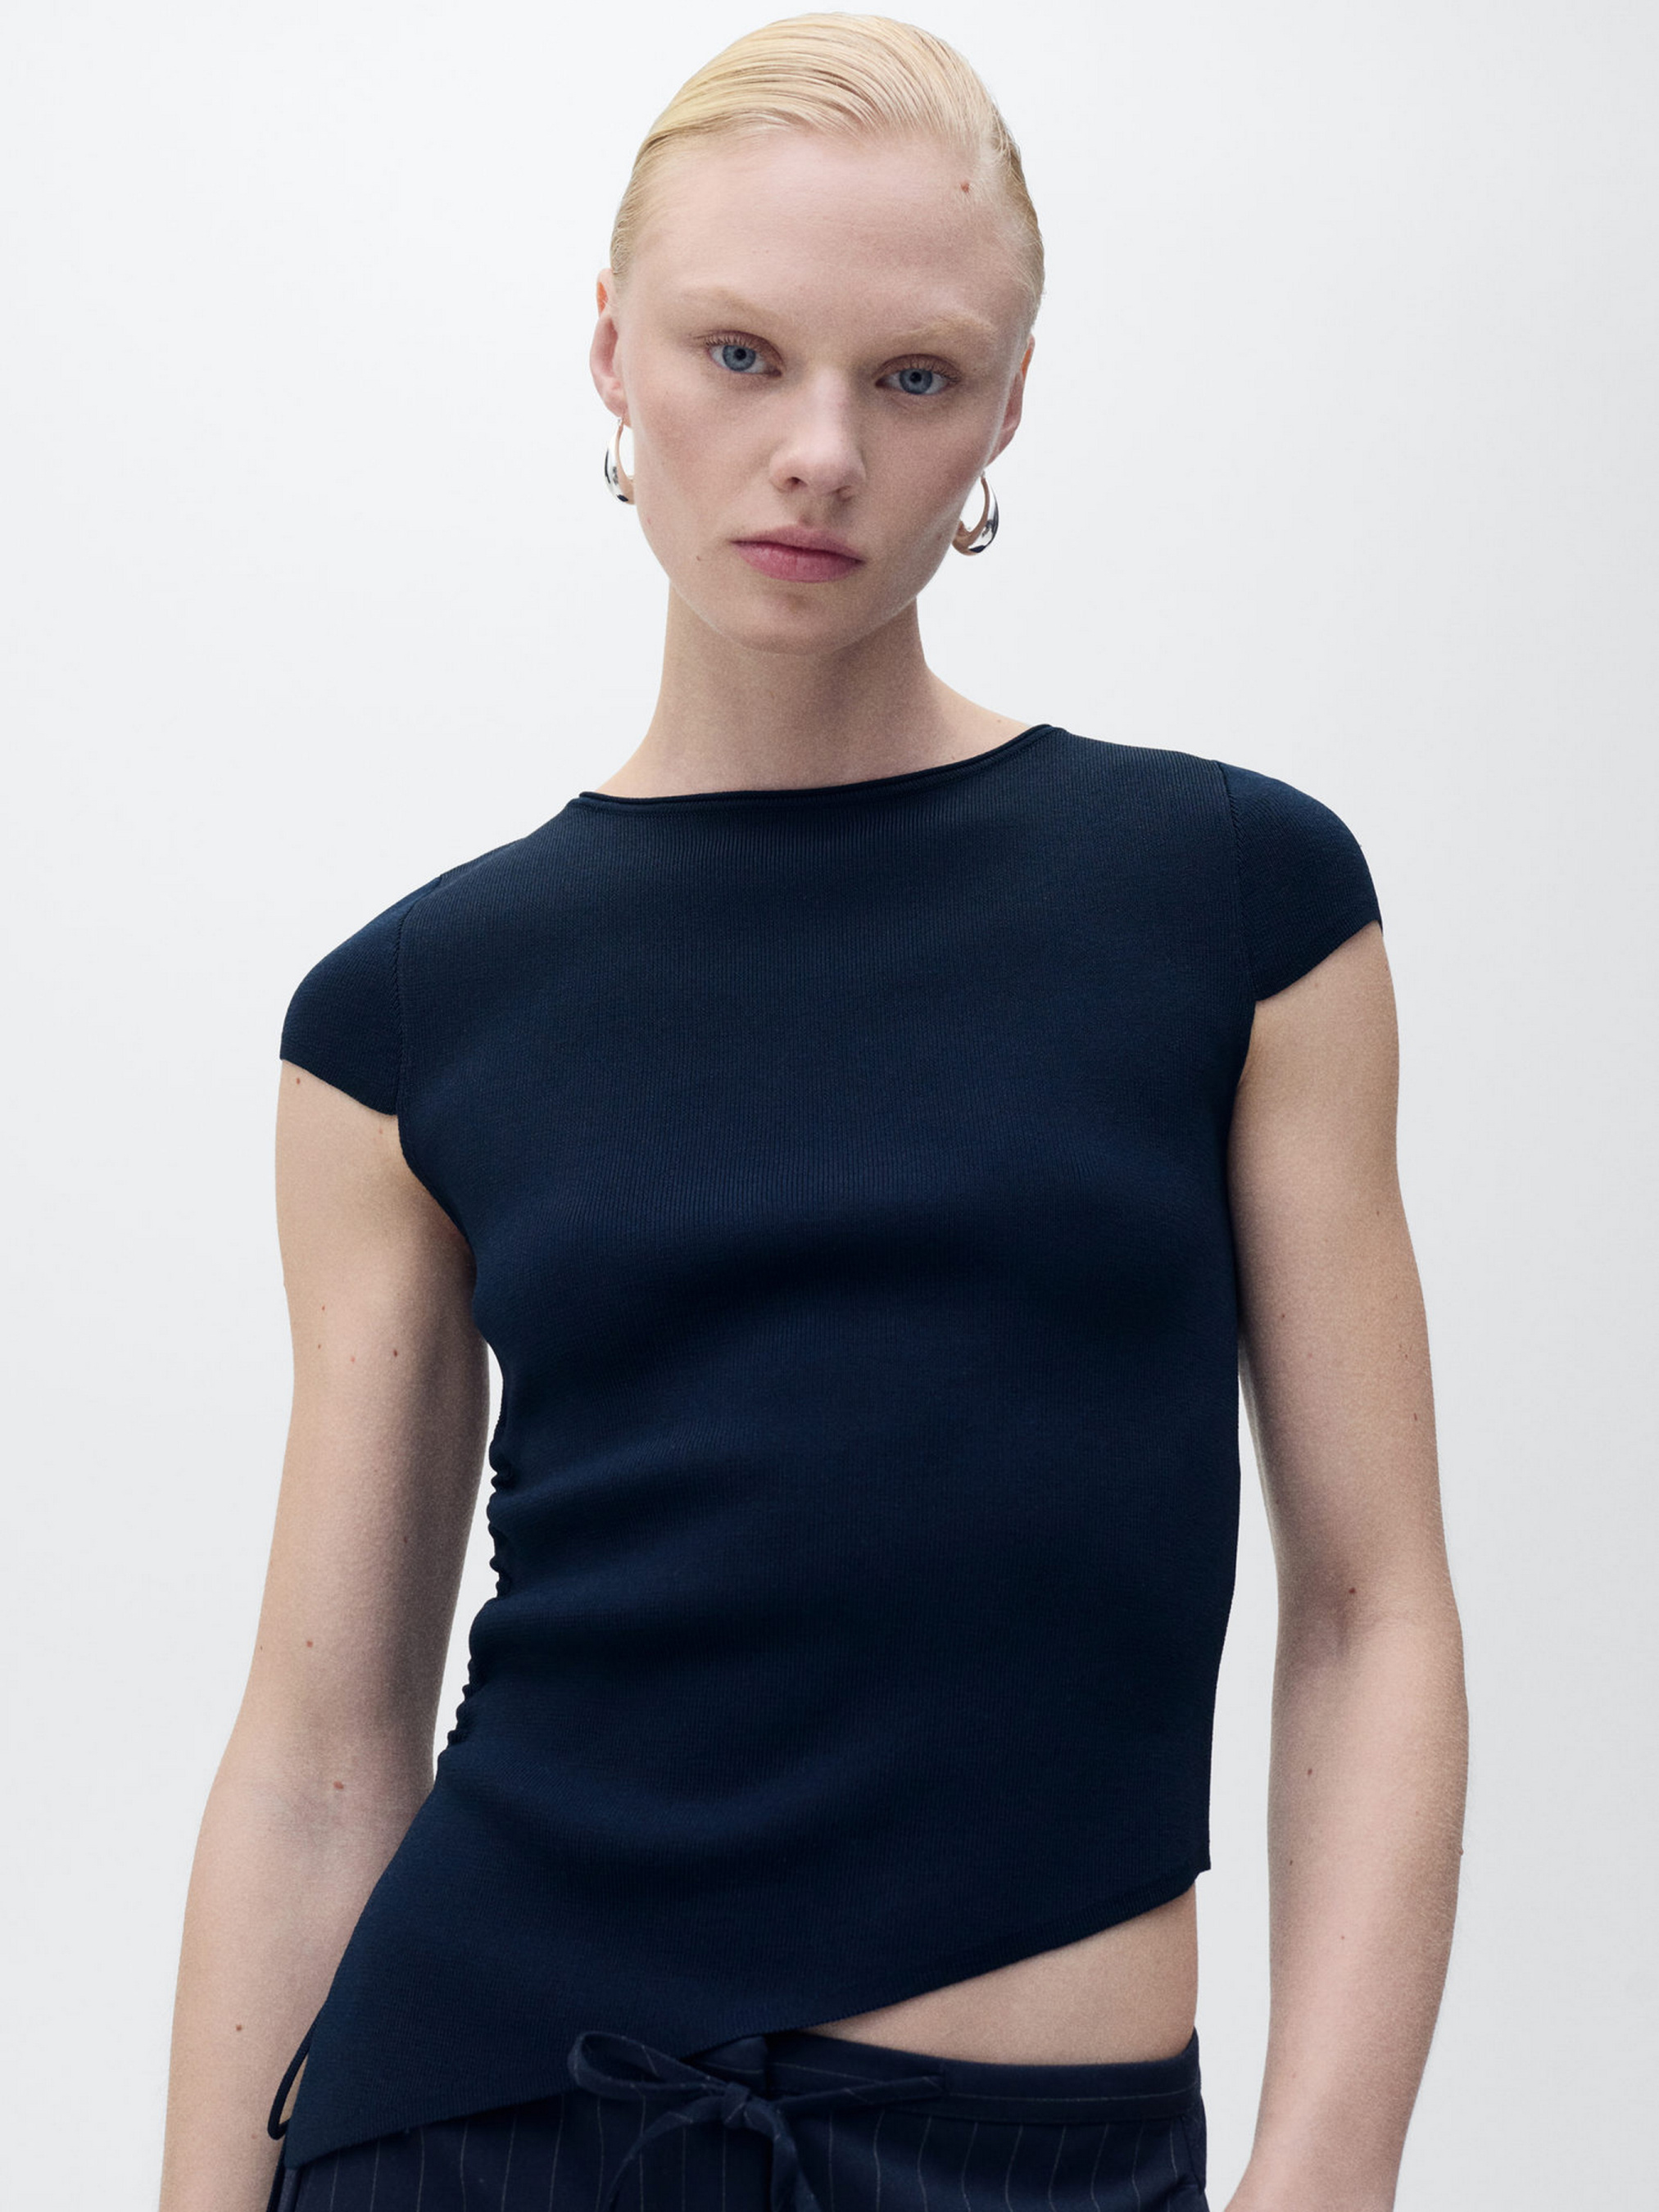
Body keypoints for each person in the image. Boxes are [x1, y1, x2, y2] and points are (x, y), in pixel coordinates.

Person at [158, 15, 1468, 2212]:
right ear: (612, 351)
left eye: (914, 376)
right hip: (491, 2119)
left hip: (1031, 2154)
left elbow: (1372, 1611)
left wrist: (1321, 2177)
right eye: (741, 354)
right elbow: (319, 1749)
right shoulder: (405, 1012)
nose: (821, 454)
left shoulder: (1234, 901)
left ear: (1009, 405)